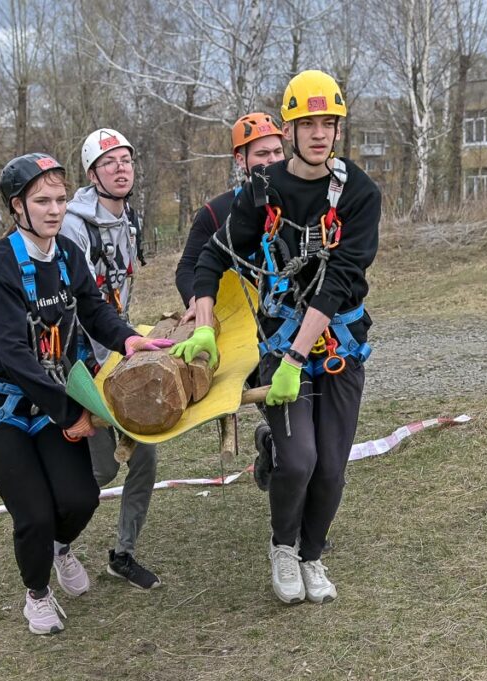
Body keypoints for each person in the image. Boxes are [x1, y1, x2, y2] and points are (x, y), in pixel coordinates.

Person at [171, 70, 380, 605]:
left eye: (327, 123)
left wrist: (296, 355)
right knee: (298, 460)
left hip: (335, 348)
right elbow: (213, 256)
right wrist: (202, 326)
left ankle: (313, 556)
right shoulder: (263, 193)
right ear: (289, 130)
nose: (317, 133)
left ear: (337, 128)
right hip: (280, 342)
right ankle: (283, 547)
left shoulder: (359, 194)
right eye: (306, 123)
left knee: (332, 467)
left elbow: (341, 278)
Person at [0, 153, 171, 636]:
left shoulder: (69, 255)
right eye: (41, 201)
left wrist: (128, 339)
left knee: (80, 498)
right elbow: (14, 354)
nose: (54, 210)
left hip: (51, 398)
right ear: (18, 207)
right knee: (32, 513)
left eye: (58, 199)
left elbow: (95, 310)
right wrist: (71, 411)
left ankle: (60, 548)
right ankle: (37, 593)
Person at [58, 128, 163, 590]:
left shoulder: (131, 220)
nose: (121, 168)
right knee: (100, 468)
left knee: (145, 455)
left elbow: (120, 290)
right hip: (84, 361)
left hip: (119, 350)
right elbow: (76, 302)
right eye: (109, 163)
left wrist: (128, 341)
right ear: (92, 174)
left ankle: (123, 553)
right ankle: (55, 542)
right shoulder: (72, 226)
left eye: (126, 160)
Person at [174, 112, 285, 492]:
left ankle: (276, 451)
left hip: (287, 328)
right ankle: (277, 452)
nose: (271, 162)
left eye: (277, 152)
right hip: (240, 331)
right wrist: (198, 304)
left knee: (296, 427)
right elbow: (189, 267)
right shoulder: (215, 213)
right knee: (287, 427)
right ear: (241, 160)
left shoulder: (300, 202)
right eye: (260, 154)